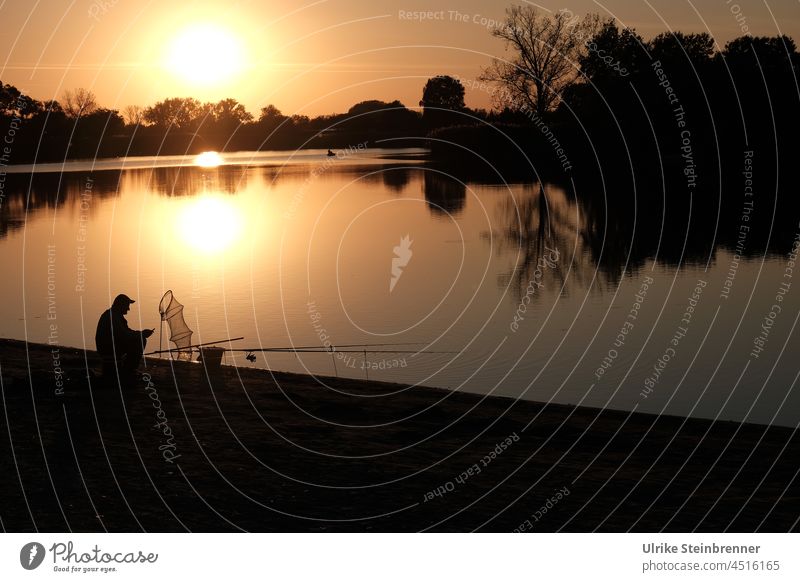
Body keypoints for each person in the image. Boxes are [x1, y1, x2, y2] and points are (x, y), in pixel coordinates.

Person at [95, 294, 154, 378]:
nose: (128, 309)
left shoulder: (115, 315)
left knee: (139, 338)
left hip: (109, 345)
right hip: (107, 348)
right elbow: (125, 335)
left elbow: (126, 332)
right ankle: (128, 371)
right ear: (121, 305)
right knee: (140, 340)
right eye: (127, 305)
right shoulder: (113, 317)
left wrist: (141, 333)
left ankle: (127, 369)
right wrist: (141, 334)